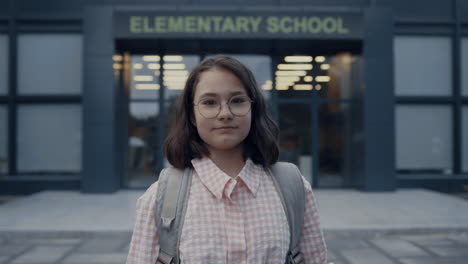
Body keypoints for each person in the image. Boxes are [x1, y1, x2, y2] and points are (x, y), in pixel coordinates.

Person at [126, 55, 327, 264]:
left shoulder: (294, 187)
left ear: (253, 109)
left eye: (237, 101)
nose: (225, 114)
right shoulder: (159, 198)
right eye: (210, 102)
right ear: (192, 116)